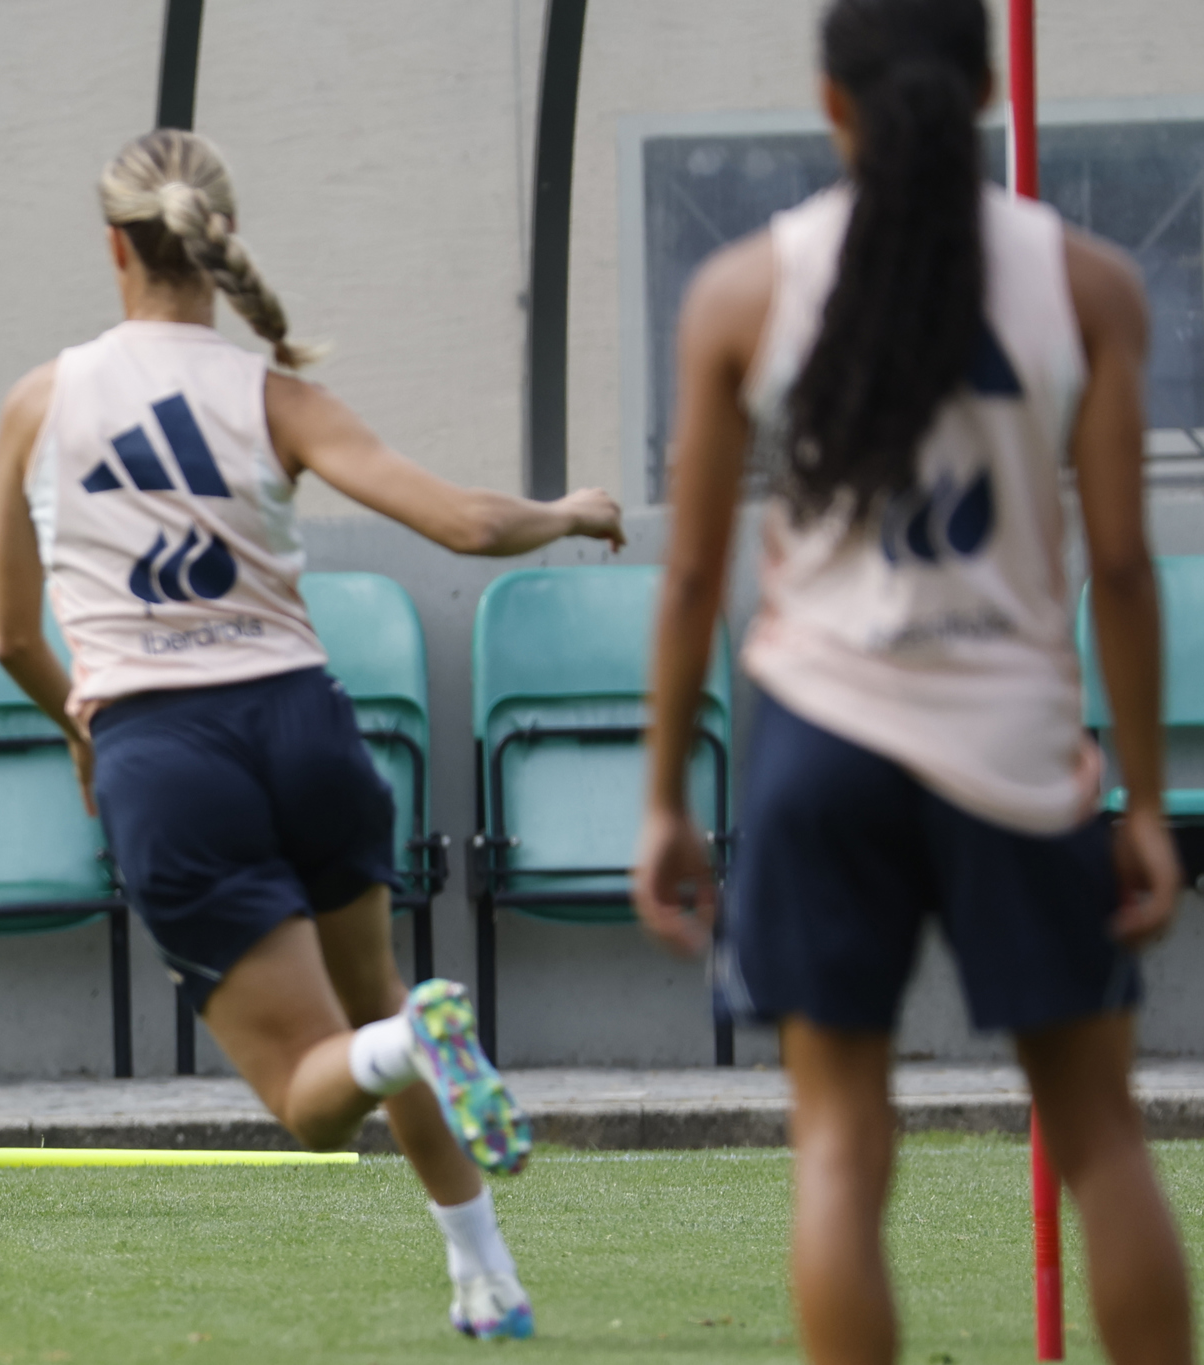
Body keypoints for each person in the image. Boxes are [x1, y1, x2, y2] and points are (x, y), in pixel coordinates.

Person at [0, 128, 625, 1341]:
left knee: (312, 1093)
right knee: (375, 1000)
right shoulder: (277, 397)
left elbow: (14, 639)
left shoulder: (38, 402)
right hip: (305, 728)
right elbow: (465, 525)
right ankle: (485, 1277)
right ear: (218, 238)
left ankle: (416, 1054)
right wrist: (568, 511)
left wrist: (79, 730)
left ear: (114, 246)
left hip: (164, 755)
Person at [633, 1, 1194, 1360]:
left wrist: (661, 802)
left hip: (819, 740)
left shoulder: (740, 292)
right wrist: (1138, 799)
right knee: (1099, 1138)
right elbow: (1122, 570)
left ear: (829, 102)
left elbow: (693, 578)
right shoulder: (1089, 285)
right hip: (1011, 745)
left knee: (839, 1146)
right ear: (988, 90)